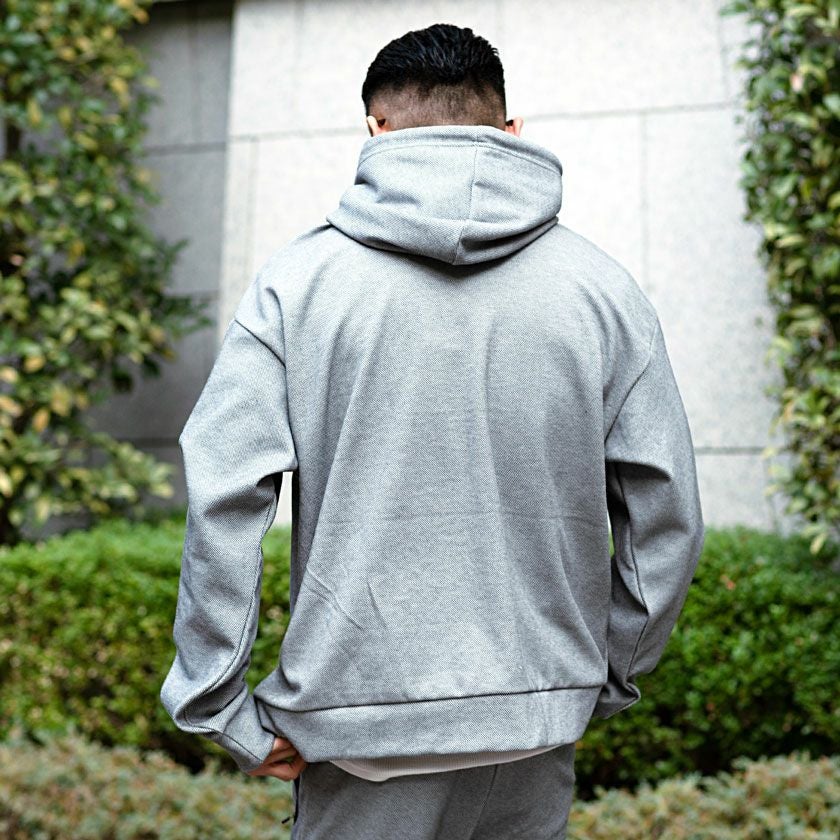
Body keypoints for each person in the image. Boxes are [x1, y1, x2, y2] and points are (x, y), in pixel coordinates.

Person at [160, 22, 705, 840]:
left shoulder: (296, 288)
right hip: (534, 737)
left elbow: (224, 496)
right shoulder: (603, 292)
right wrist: (600, 673)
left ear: (374, 130)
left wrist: (217, 705)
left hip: (358, 745)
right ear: (510, 131)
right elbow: (666, 515)